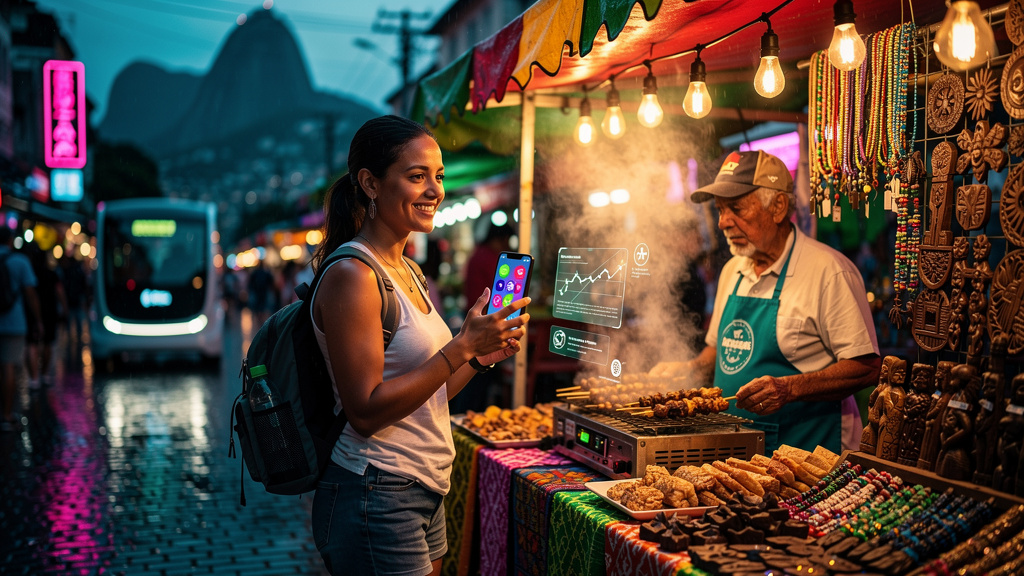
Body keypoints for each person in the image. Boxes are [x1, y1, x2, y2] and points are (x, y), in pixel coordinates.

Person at [308, 115, 529, 576]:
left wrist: (479, 356)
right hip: (376, 489)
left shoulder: (409, 270)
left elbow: (431, 393)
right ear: (370, 183)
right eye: (417, 176)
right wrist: (459, 348)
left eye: (439, 176)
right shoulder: (353, 275)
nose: (436, 190)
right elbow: (365, 411)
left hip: (424, 486)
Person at [653, 150, 880, 455]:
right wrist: (689, 369)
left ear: (778, 207)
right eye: (720, 210)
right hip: (734, 452)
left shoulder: (829, 271)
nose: (723, 222)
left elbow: (866, 367)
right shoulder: (732, 269)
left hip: (808, 454)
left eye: (735, 208)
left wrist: (790, 389)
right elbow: (719, 351)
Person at [452, 221, 514, 412]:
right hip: (484, 324)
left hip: (473, 318)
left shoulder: (477, 254)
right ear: (500, 239)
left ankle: (466, 414)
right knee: (476, 380)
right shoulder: (491, 258)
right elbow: (501, 297)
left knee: (471, 377)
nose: (507, 246)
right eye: (507, 241)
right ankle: (468, 415)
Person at [0, 227, 43, 432]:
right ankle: (6, 415)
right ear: (10, 240)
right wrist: (38, 320)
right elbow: (30, 294)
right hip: (13, 321)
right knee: (9, 366)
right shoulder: (20, 262)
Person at [24, 244, 66, 388]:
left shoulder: (30, 273)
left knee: (32, 343)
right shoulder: (51, 274)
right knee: (48, 342)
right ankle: (44, 373)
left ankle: (34, 377)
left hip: (31, 312)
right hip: (49, 312)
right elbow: (60, 291)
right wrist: (64, 308)